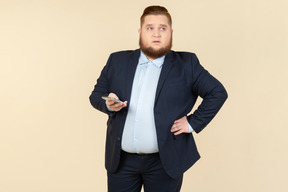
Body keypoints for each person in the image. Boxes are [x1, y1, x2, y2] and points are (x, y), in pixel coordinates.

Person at [89, 5, 228, 192]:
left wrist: (192, 123)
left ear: (171, 32)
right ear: (140, 32)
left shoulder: (187, 64)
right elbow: (96, 95)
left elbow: (217, 92)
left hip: (165, 162)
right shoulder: (117, 60)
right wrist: (108, 104)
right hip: (121, 162)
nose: (156, 34)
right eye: (150, 28)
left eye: (162, 28)